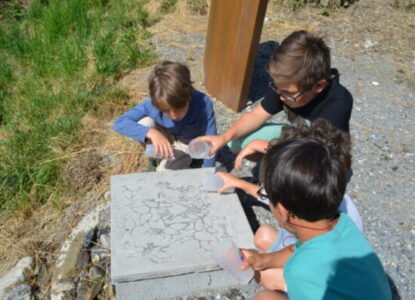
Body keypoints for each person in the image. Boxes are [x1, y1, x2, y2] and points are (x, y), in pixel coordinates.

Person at [236, 130, 391, 299]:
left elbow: (302, 259)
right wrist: (262, 260)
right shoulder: (341, 222)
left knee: (264, 297)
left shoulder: (300, 272)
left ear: (282, 211)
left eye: (267, 196)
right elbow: (299, 248)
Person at [200, 30, 353, 165]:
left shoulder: (338, 103)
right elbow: (256, 115)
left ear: (318, 86)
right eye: (277, 87)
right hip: (299, 136)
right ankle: (276, 168)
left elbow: (315, 155)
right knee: (236, 142)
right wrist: (224, 138)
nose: (280, 97)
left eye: (289, 94)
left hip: (323, 157)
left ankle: (281, 176)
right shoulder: (287, 85)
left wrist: (267, 147)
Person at [217, 119, 363, 249]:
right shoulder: (334, 202)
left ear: (284, 212)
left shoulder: (314, 259)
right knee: (265, 235)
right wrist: (239, 183)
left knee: (265, 241)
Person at [113, 61, 217, 171]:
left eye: (179, 108)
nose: (173, 116)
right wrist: (153, 134)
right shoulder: (153, 103)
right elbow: (119, 123)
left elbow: (211, 141)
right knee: (144, 124)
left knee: (163, 172)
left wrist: (208, 172)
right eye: (165, 111)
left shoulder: (202, 103)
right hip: (166, 136)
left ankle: (184, 160)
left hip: (187, 144)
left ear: (189, 95)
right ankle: (157, 156)